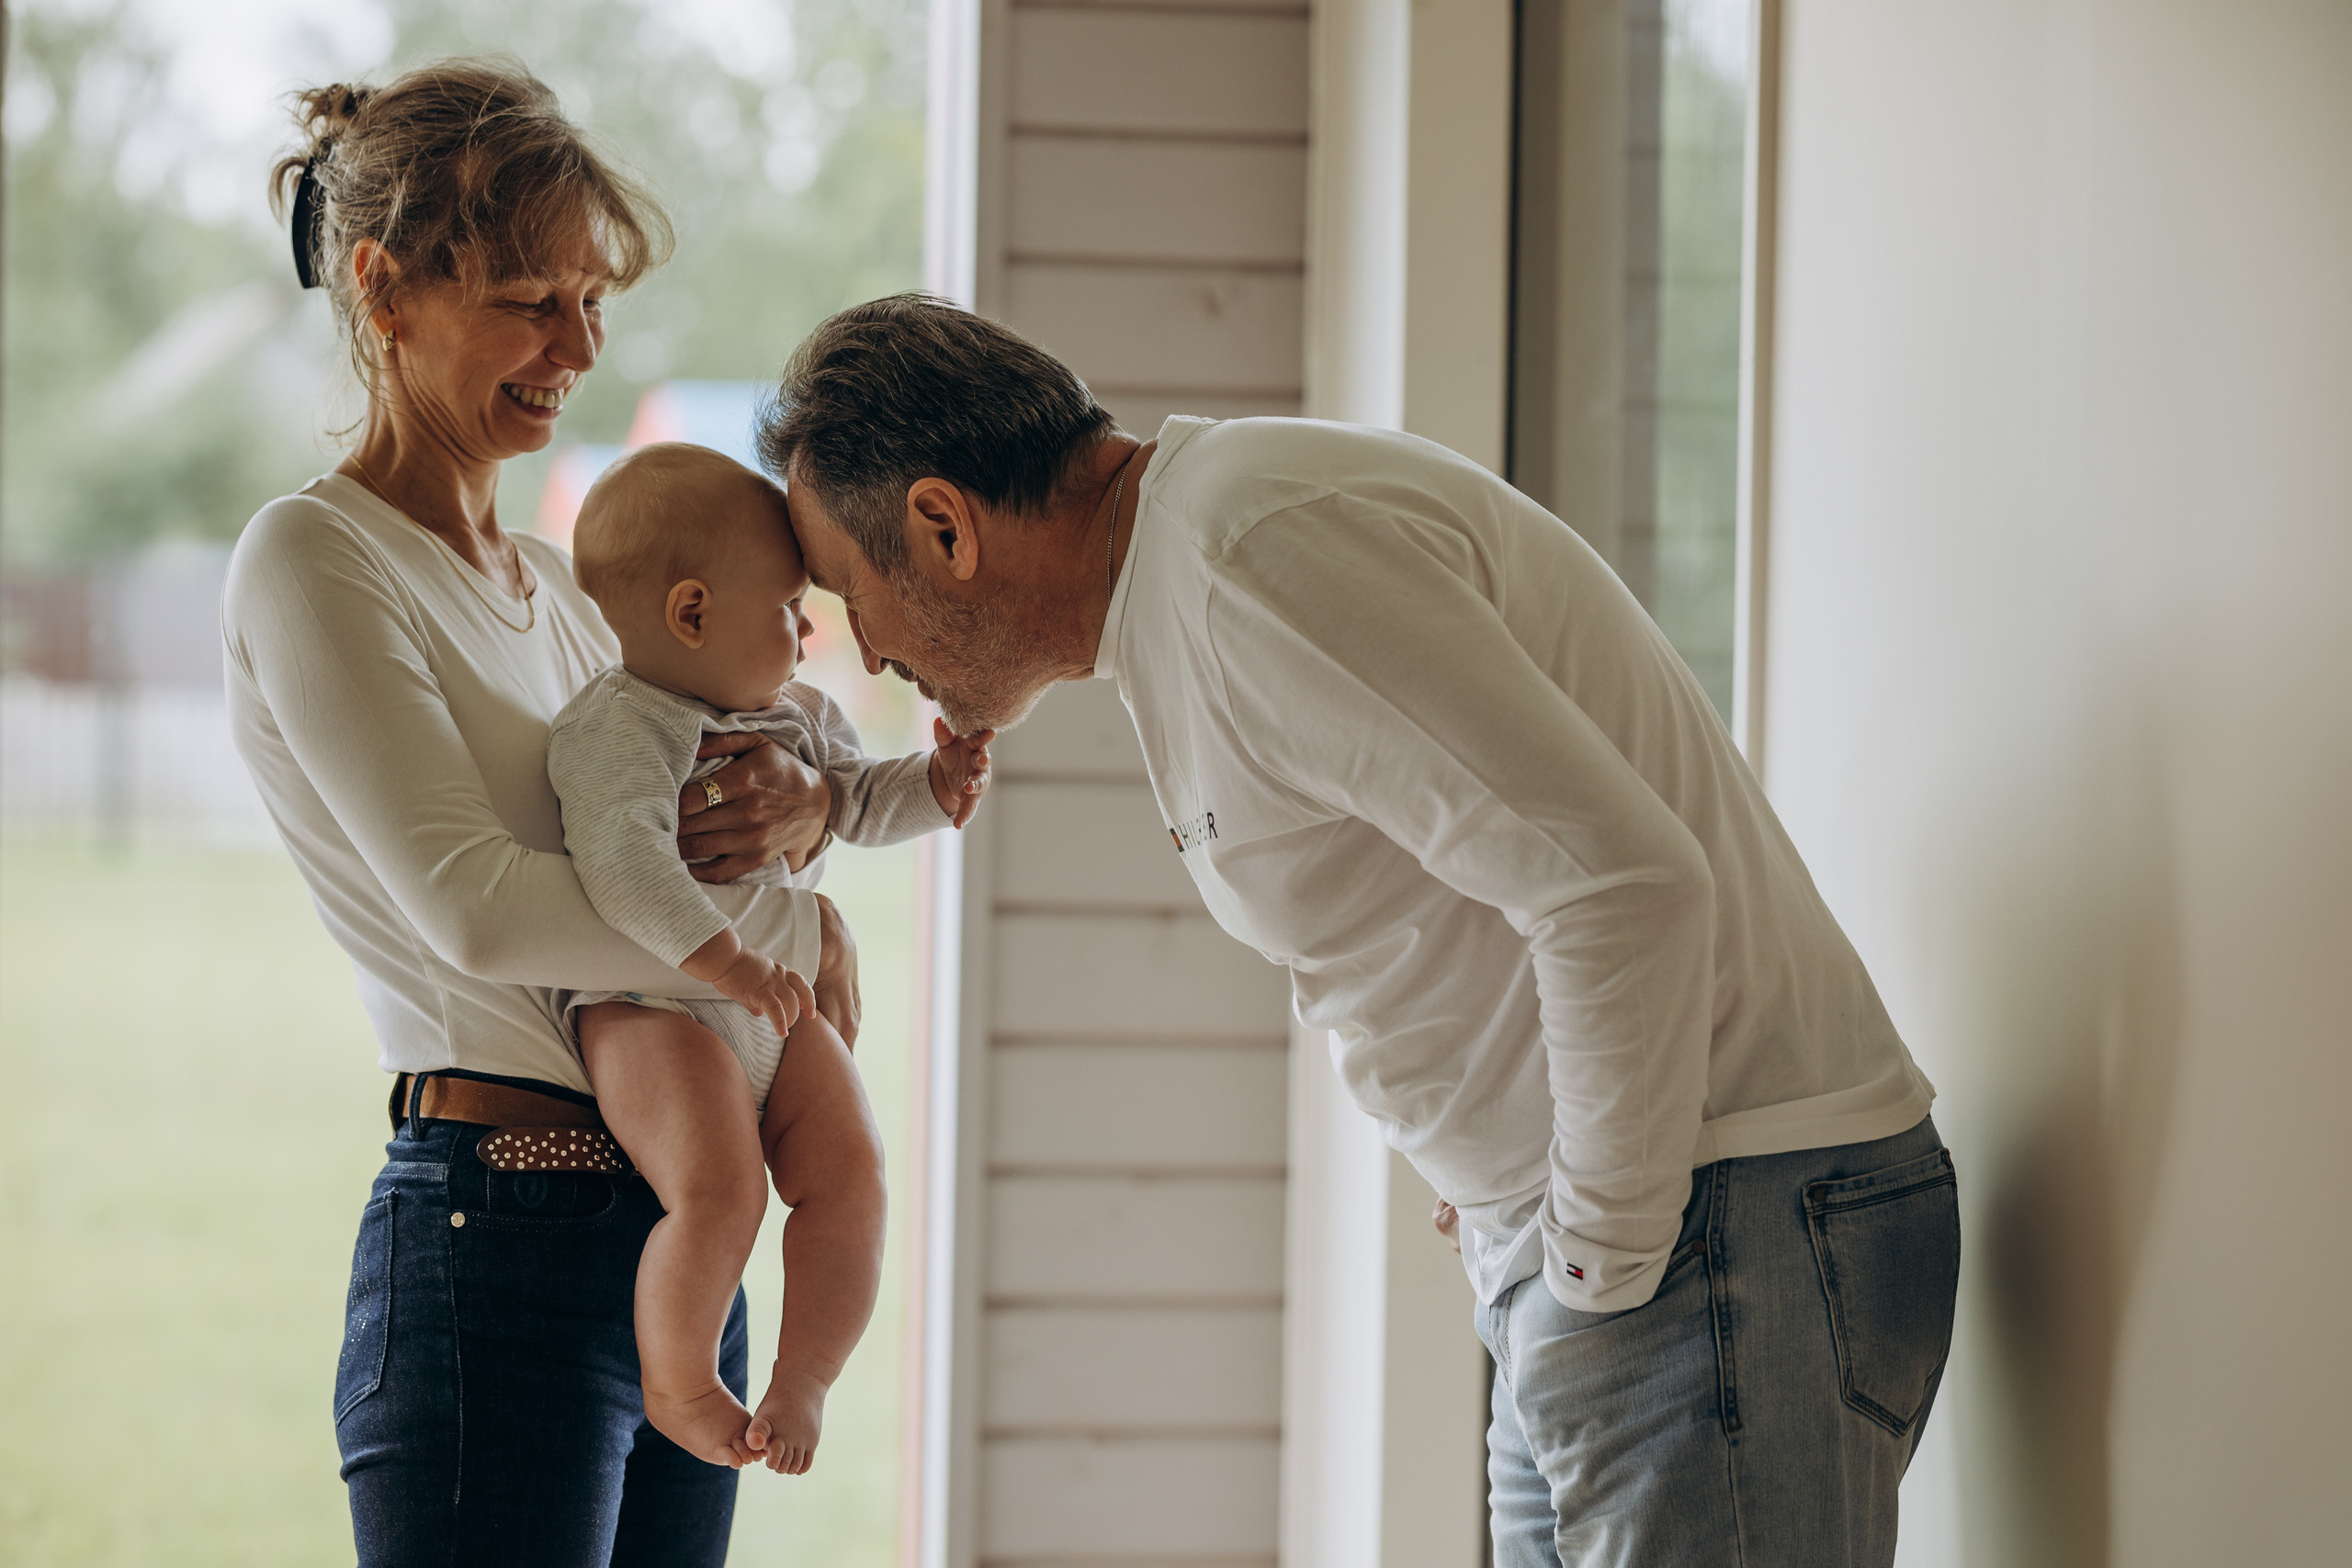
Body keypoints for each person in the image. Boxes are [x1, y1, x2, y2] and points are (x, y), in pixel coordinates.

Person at [759, 295, 1963, 1568]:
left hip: (1706, 1236)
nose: (870, 654)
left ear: (944, 524)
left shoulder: (1244, 559)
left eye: (848, 593)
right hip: (1632, 1243)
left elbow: (1621, 885)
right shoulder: (1185, 577)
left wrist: (1599, 1270)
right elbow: (1446, 894)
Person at [224, 63, 845, 1563]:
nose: (575, 346)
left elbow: (708, 813)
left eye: (589, 301)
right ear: (386, 289)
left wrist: (804, 812)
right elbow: (478, 904)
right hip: (491, 1242)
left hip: (684, 1219)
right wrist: (756, 944)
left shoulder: (568, 600)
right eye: (526, 299)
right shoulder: (318, 564)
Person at [551, 441, 989, 1472]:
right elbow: (622, 862)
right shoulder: (621, 723)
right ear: (692, 614)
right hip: (653, 1006)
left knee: (854, 1174)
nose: (807, 632)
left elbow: (860, 800)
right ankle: (679, 1382)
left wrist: (935, 783)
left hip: (773, 1008)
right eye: (789, 608)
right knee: (725, 1191)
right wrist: (728, 966)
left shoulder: (799, 716)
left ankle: (804, 1380)